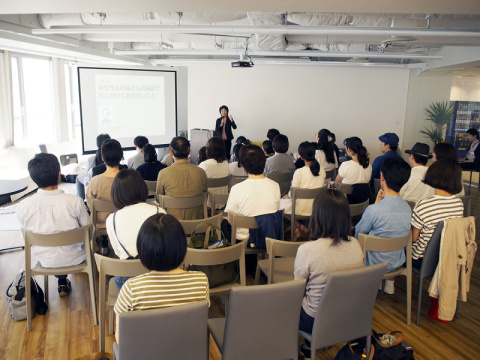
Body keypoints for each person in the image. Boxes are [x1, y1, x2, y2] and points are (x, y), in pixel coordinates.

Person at [113, 213, 209, 342]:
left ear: (143, 251)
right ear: (182, 246)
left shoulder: (132, 289)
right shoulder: (201, 281)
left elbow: (121, 339)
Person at [295, 188, 364, 359]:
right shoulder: (356, 244)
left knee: (284, 303)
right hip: (349, 316)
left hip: (315, 321)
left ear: (317, 215)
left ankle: (299, 347)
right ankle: (313, 343)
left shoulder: (307, 250)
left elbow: (297, 292)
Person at [16, 153, 91, 297]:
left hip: (45, 261)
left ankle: (61, 281)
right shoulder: (75, 202)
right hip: (77, 259)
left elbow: (26, 240)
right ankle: (63, 280)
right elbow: (88, 232)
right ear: (59, 174)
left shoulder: (22, 207)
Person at [355, 157, 412, 294]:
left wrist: (376, 205)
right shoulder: (407, 208)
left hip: (372, 264)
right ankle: (389, 283)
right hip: (396, 262)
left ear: (382, 177)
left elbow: (359, 235)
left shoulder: (374, 210)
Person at [106, 169, 166, 289]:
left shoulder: (111, 219)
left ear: (116, 194)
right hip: (159, 275)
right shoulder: (159, 211)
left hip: (128, 280)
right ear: (142, 187)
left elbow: (119, 253)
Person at [411, 159, 464, 268]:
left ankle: (389, 282)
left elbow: (413, 238)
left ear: (433, 175)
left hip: (421, 259)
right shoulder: (459, 204)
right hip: (446, 257)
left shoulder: (423, 205)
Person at [225, 145, 280, 242]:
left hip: (244, 239)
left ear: (242, 166)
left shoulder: (236, 189)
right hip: (267, 236)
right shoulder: (275, 186)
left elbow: (230, 219)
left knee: (224, 223)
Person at [156, 137, 207, 220]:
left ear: (171, 152)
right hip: (197, 222)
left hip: (172, 223)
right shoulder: (201, 172)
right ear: (189, 151)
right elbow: (205, 195)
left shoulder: (163, 173)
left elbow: (159, 198)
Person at [280, 141, 326, 216]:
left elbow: (292, 194)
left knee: (279, 204)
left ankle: (297, 225)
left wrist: (286, 196)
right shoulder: (322, 169)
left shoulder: (299, 172)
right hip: (317, 206)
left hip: (301, 207)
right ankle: (302, 226)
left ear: (300, 157)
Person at [86, 139, 124, 212]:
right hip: (123, 221)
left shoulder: (94, 181)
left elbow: (90, 205)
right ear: (121, 156)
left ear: (102, 158)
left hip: (101, 222)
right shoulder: (130, 179)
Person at [78, 133, 111, 198]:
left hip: (94, 192)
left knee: (78, 178)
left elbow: (87, 179)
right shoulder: (116, 157)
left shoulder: (91, 161)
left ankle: (82, 200)